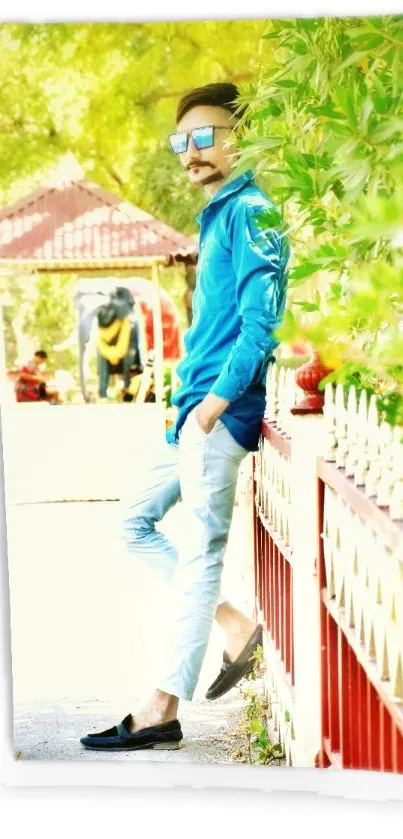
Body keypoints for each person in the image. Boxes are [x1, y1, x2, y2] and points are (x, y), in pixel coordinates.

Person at [80, 82, 290, 752]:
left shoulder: (253, 212)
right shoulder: (221, 212)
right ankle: (234, 626)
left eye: (205, 137)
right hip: (191, 413)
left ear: (240, 138)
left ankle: (158, 709)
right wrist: (190, 407)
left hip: (215, 416)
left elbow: (259, 327)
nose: (191, 152)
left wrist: (212, 407)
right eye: (182, 141)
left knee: (198, 558)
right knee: (131, 520)